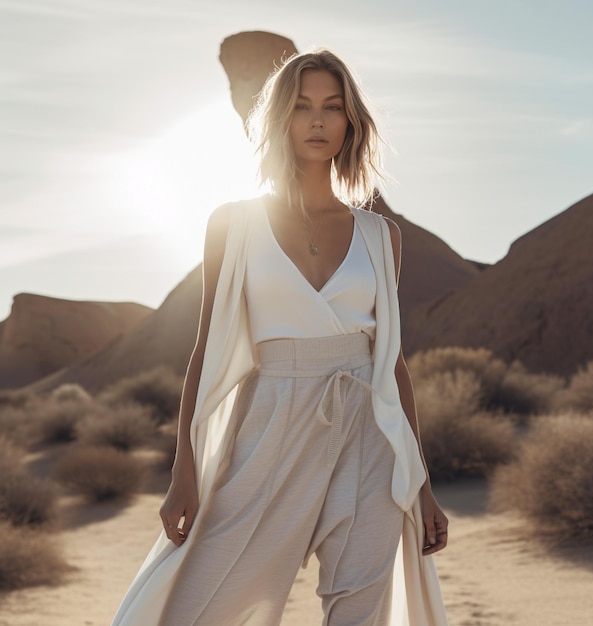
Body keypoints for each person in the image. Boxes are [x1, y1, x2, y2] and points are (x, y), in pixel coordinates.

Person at [112, 49, 449, 626]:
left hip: (369, 428)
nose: (317, 121)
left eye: (332, 107)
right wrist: (183, 473)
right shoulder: (233, 224)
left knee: (360, 610)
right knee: (199, 602)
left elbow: (392, 362)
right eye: (301, 107)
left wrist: (419, 480)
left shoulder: (380, 235)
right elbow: (206, 349)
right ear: (279, 121)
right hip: (268, 420)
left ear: (351, 122)